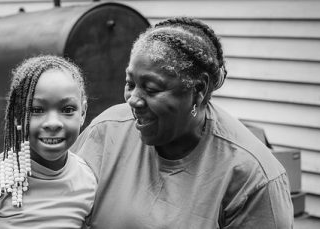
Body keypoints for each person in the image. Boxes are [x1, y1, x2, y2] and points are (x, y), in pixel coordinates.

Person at [71, 17, 293, 228]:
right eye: (130, 84)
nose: (133, 100)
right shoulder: (107, 131)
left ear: (198, 89)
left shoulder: (252, 176)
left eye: (151, 89)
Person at [0, 55, 96, 228]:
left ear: (83, 113)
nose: (53, 123)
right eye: (36, 110)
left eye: (67, 109)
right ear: (17, 114)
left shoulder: (88, 180)